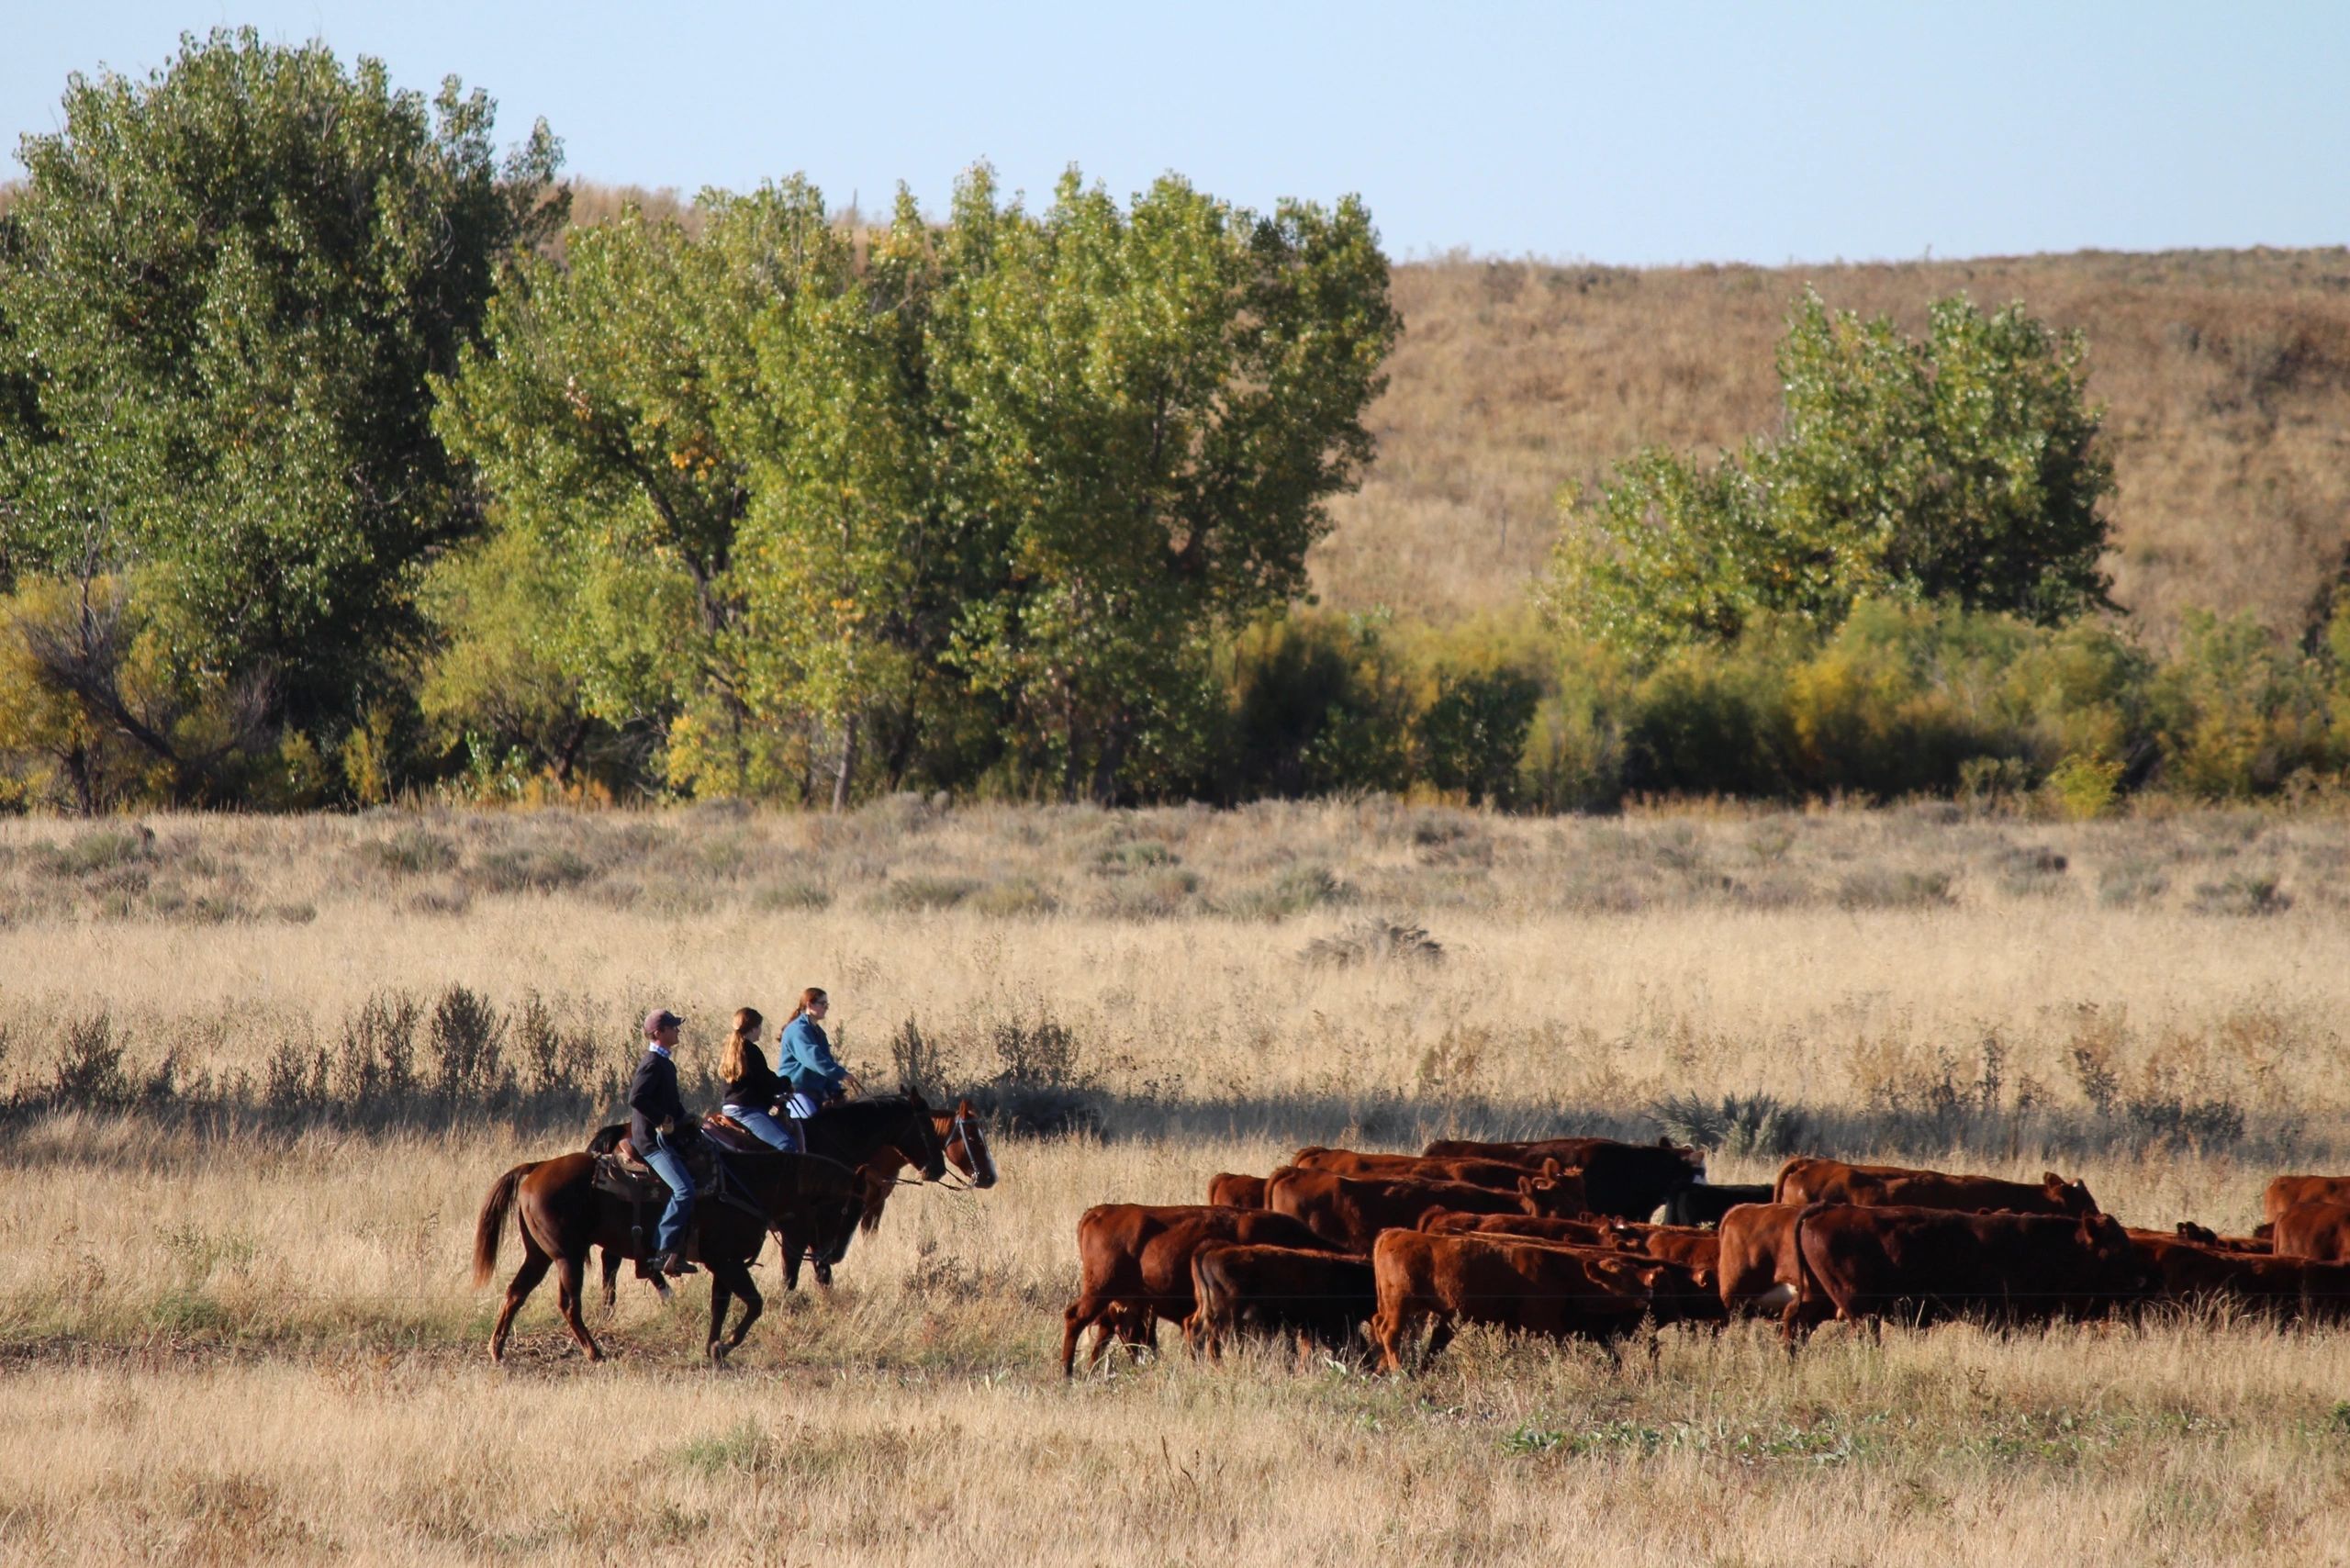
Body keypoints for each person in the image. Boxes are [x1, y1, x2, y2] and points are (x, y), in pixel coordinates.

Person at [628, 1007, 699, 1277]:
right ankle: (664, 1250)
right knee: (684, 1190)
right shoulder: (652, 1063)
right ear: (659, 1033)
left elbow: (671, 1102)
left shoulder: (665, 1063)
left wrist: (687, 1118)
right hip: (652, 1143)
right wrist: (661, 1119)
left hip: (666, 1138)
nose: (678, 1030)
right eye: (673, 1027)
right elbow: (637, 1098)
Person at [718, 1005, 800, 1153]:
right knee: (787, 1145)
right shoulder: (750, 1050)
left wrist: (773, 1099)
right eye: (760, 1027)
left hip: (730, 1107)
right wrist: (786, 1084)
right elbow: (767, 1082)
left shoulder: (731, 1049)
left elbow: (752, 1085)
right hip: (746, 1111)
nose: (761, 1031)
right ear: (754, 1028)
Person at [778, 987, 859, 1126]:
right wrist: (841, 1074)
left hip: (816, 1094)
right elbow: (813, 1060)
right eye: (823, 1004)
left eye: (827, 1004)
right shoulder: (798, 1030)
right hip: (796, 1093)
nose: (826, 1008)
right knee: (811, 1126)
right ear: (810, 1005)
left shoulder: (817, 1032)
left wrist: (835, 1090)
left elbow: (827, 1060)